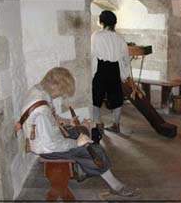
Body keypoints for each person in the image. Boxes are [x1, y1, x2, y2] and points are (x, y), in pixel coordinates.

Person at [15, 67, 135, 197]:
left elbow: (51, 118)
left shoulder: (39, 91)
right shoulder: (41, 110)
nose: (60, 95)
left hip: (48, 140)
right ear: (56, 86)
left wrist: (68, 122)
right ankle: (115, 186)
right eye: (61, 92)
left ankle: (85, 169)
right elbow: (51, 145)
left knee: (81, 133)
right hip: (47, 149)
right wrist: (76, 143)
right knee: (92, 149)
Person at [91, 10, 131, 134]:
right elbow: (124, 58)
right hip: (114, 69)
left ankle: (98, 123)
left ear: (101, 22)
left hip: (101, 69)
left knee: (96, 97)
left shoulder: (96, 35)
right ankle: (116, 124)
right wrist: (124, 75)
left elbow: (93, 55)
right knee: (116, 97)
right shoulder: (120, 38)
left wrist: (91, 73)